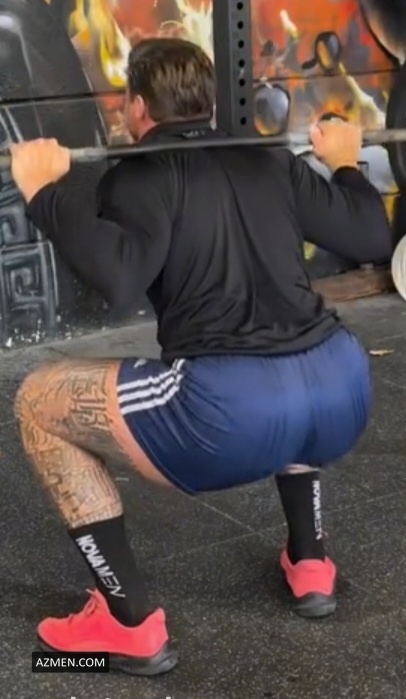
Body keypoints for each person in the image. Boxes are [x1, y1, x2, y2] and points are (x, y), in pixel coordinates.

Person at [11, 37, 391, 676]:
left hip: (232, 413)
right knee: (289, 383)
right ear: (207, 103)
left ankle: (127, 627)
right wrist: (346, 164)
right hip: (342, 385)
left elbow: (120, 280)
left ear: (136, 107)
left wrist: (46, 191)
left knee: (37, 403)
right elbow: (371, 235)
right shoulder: (269, 160)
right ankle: (311, 563)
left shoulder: (138, 175)